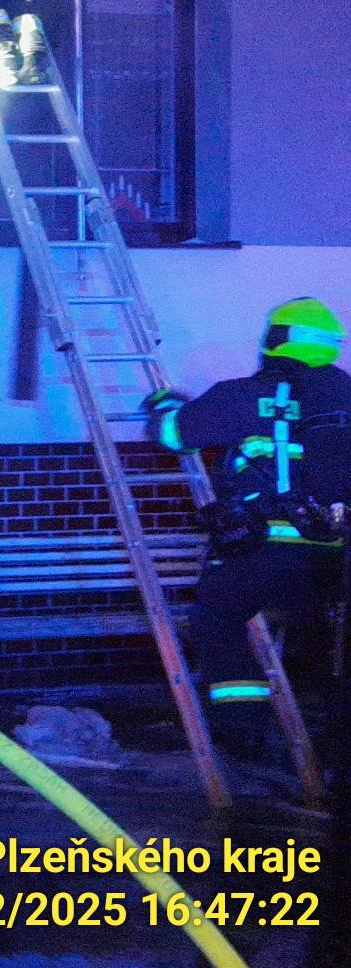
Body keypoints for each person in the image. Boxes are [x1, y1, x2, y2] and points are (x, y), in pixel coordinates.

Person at [145, 297, 350, 757]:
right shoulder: (340, 399)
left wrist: (164, 404)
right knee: (326, 642)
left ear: (274, 340)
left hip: (261, 547)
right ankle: (332, 742)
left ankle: (242, 728)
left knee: (217, 618)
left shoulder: (238, 395)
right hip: (332, 551)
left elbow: (172, 434)